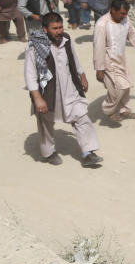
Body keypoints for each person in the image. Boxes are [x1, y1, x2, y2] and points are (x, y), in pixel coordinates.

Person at [25, 12, 102, 167]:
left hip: (69, 89)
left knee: (81, 116)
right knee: (46, 124)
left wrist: (82, 76)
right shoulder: (34, 47)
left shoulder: (66, 40)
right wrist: (37, 98)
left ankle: (88, 153)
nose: (59, 31)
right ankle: (49, 152)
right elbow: (30, 74)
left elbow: (74, 58)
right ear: (45, 29)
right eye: (55, 28)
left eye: (60, 27)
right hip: (48, 93)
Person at [92, 0, 135, 122]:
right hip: (108, 60)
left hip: (121, 58)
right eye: (122, 13)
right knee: (119, 87)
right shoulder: (102, 24)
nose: (124, 16)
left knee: (126, 85)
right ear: (112, 10)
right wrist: (99, 68)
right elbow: (98, 47)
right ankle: (109, 110)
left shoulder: (126, 20)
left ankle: (124, 110)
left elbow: (133, 36)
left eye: (126, 13)